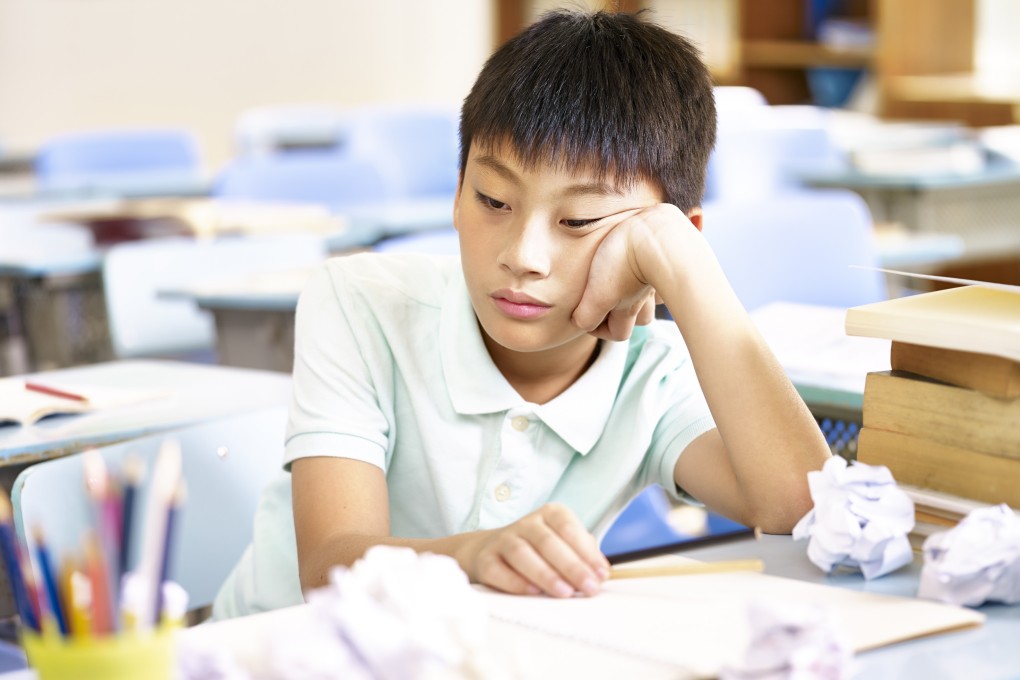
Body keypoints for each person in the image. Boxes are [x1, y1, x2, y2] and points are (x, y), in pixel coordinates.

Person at [212, 8, 831, 619]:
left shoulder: (654, 376)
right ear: (458, 193)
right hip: (268, 651)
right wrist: (472, 556)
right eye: (493, 200)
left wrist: (685, 266)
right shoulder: (361, 302)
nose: (523, 256)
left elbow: (804, 509)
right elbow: (330, 566)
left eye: (579, 221)